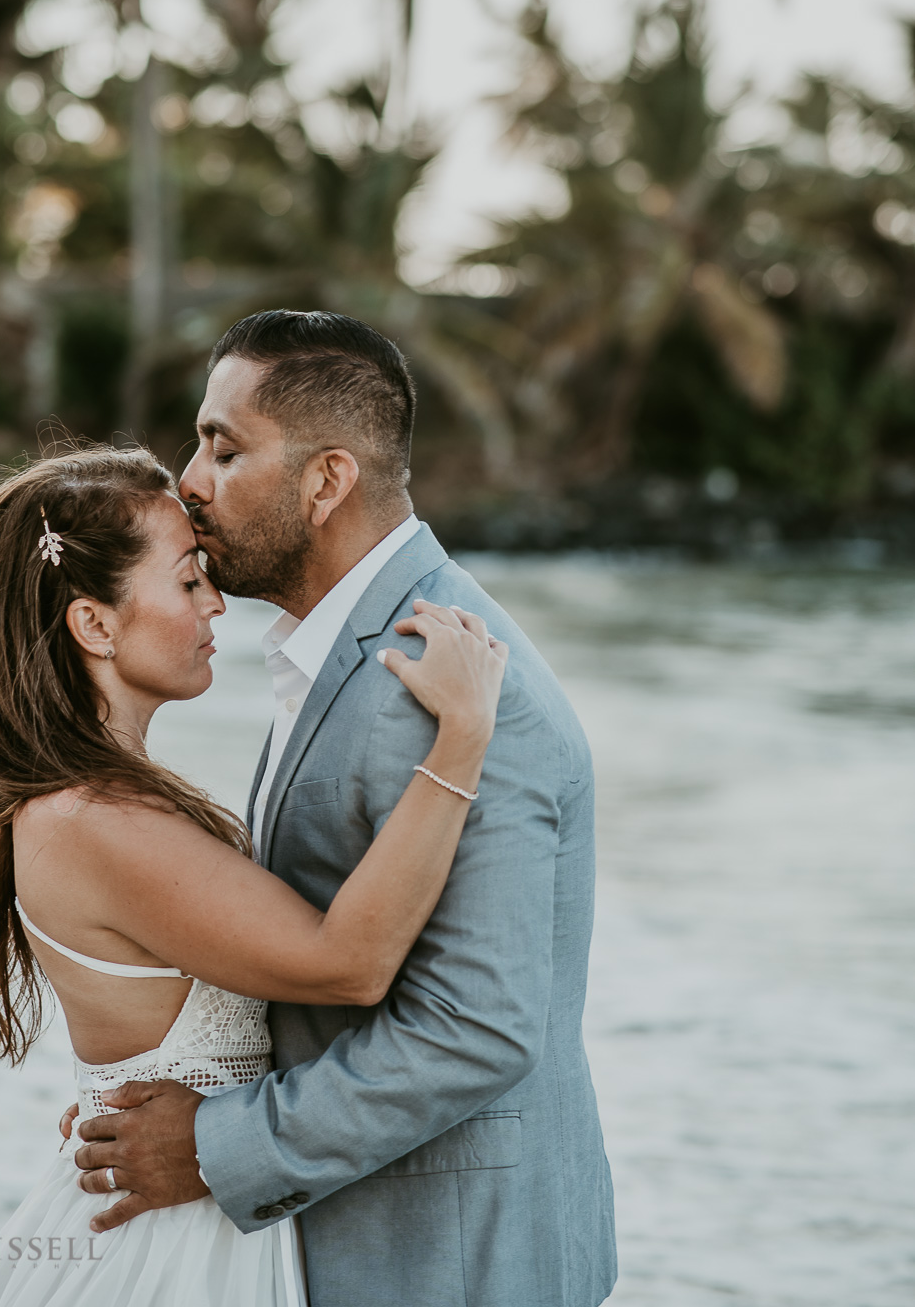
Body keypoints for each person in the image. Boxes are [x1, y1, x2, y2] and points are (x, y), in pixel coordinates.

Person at [71, 311, 617, 1307]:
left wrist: (212, 1145)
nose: (188, 480)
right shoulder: (347, 656)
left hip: (452, 1263)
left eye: (222, 448)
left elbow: (478, 1030)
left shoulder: (453, 687)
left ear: (325, 482)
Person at [0, 440, 506, 1306]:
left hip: (192, 1208)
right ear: (95, 624)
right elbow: (351, 962)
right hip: (170, 1246)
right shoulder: (93, 820)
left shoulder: (94, 804)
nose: (216, 605)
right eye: (189, 580)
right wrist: (462, 736)